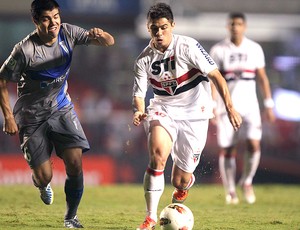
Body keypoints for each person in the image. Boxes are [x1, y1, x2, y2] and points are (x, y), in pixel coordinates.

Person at [0, 0, 114, 228]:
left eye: (56, 16)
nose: (53, 23)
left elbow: (110, 42)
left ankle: (71, 217)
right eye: (46, 18)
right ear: (35, 21)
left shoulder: (68, 32)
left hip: (61, 108)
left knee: (75, 162)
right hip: (31, 117)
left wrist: (102, 36)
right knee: (45, 176)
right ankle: (41, 183)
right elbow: (2, 80)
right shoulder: (24, 50)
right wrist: (9, 117)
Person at [132, 3, 242, 229]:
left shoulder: (189, 46)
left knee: (179, 180)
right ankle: (150, 217)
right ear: (148, 28)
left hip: (195, 112)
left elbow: (217, 76)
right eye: (154, 28)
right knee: (158, 155)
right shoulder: (143, 59)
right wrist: (139, 109)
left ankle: (184, 185)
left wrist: (230, 107)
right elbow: (139, 94)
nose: (159, 33)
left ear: (172, 25)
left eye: (164, 27)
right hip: (163, 108)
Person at [209, 12, 275, 205]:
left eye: (238, 24)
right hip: (226, 107)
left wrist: (269, 104)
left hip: (250, 106)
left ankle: (246, 181)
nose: (235, 27)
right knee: (228, 149)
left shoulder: (254, 48)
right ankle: (230, 190)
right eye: (231, 24)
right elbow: (213, 80)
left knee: (254, 144)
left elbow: (262, 77)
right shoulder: (218, 50)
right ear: (227, 27)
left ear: (244, 26)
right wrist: (213, 104)